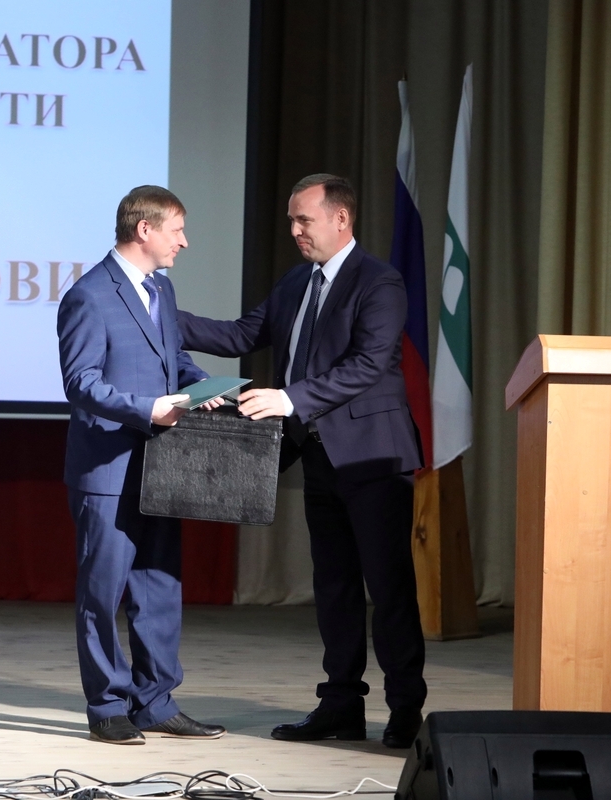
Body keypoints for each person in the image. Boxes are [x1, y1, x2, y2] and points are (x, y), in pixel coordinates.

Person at [178, 174, 426, 748]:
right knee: (334, 586)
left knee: (388, 587)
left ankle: (405, 708)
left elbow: (368, 364)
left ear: (341, 219)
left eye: (303, 219)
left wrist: (289, 399)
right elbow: (241, 335)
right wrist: (161, 310)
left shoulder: (379, 282)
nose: (294, 230)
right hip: (318, 455)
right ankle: (340, 706)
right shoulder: (296, 282)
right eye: (291, 220)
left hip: (372, 457)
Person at [57, 185, 226, 745]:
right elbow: (81, 382)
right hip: (107, 470)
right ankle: (107, 705)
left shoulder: (162, 289)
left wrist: (203, 386)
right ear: (145, 230)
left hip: (163, 465)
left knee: (158, 590)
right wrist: (147, 409)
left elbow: (172, 357)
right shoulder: (88, 295)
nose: (185, 241)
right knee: (102, 593)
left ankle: (155, 702)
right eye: (177, 230)